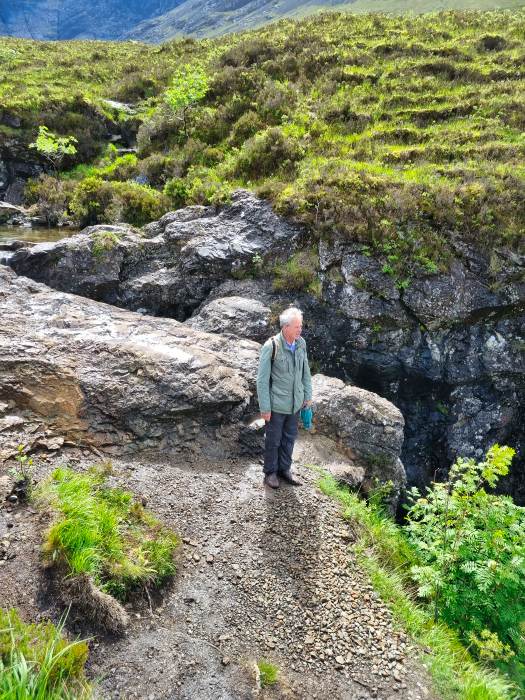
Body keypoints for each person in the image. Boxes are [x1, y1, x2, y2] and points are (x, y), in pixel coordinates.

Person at [256, 306, 313, 489]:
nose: (300, 329)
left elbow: (306, 372)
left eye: (301, 326)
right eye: (297, 326)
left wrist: (307, 396)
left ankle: (285, 469)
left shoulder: (301, 343)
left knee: (289, 438)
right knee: (273, 440)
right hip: (276, 405)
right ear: (286, 327)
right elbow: (262, 381)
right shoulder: (271, 346)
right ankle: (270, 473)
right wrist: (265, 407)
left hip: (295, 404)